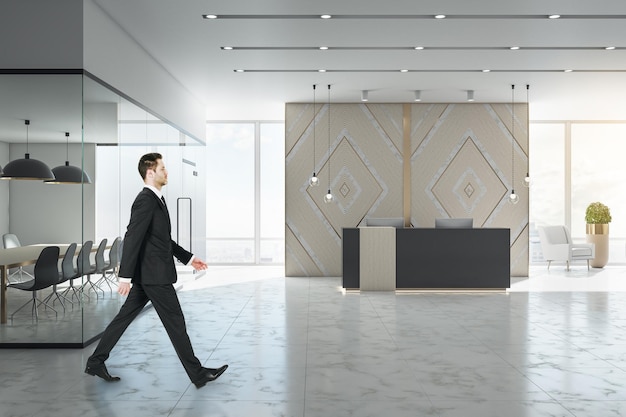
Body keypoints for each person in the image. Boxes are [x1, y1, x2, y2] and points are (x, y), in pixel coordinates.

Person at [85, 152, 227, 389]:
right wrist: (125, 277)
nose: (166, 172)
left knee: (123, 318)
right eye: (163, 168)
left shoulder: (157, 200)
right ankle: (198, 374)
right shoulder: (146, 200)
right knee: (176, 323)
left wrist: (189, 258)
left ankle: (95, 362)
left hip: (148, 275)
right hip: (154, 277)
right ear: (150, 172)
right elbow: (132, 238)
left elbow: (162, 241)